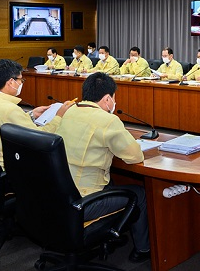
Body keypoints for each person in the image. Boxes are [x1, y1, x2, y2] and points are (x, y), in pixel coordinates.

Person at [55, 72, 150, 262]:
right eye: (114, 98)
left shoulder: (70, 111)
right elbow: (134, 156)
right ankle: (143, 250)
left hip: (57, 195)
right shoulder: (108, 120)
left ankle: (112, 234)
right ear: (107, 98)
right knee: (139, 193)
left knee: (113, 181)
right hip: (83, 201)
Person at [0, 59, 74, 169]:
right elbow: (40, 140)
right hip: (9, 167)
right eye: (21, 80)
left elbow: (8, 121)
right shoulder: (10, 110)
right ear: (11, 82)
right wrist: (59, 116)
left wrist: (31, 115)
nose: (21, 83)